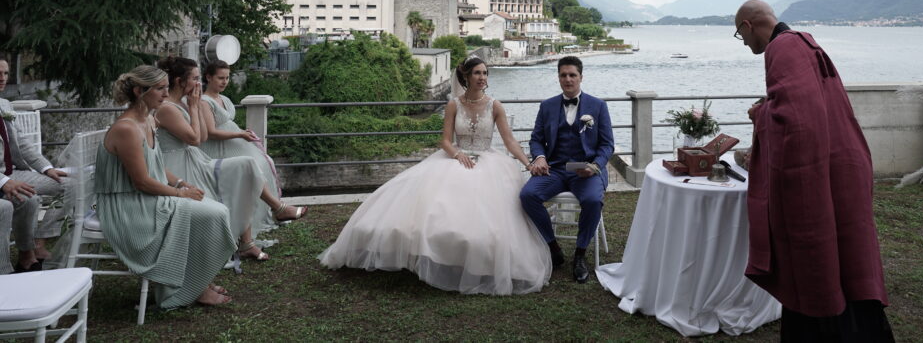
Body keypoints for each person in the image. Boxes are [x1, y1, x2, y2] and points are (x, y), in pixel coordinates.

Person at [319, 57, 550, 295]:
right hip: (455, 157)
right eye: (477, 73)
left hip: (488, 161)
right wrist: (457, 154)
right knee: (432, 208)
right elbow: (444, 140)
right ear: (467, 77)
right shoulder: (454, 104)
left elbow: (510, 141)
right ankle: (431, 257)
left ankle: (477, 262)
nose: (482, 78)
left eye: (485, 73)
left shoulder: (495, 105)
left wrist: (528, 162)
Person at [734, 0, 893, 342]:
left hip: (816, 175)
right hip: (842, 166)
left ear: (748, 25)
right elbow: (807, 107)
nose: (745, 44)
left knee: (814, 261)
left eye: (740, 35)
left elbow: (798, 122)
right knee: (847, 259)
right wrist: (769, 108)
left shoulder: (783, 48)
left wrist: (760, 115)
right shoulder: (805, 42)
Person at [96, 65, 236, 308]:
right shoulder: (127, 128)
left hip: (145, 195)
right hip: (128, 204)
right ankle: (191, 288)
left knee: (214, 210)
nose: (166, 93)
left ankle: (196, 280)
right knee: (212, 214)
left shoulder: (148, 119)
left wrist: (181, 183)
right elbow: (141, 181)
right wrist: (180, 194)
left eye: (166, 87)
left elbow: (156, 167)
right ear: (140, 91)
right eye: (160, 88)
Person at [154, 56, 269, 261]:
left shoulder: (182, 102)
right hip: (177, 165)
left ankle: (247, 241)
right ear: (180, 81)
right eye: (195, 79)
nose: (199, 84)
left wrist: (194, 106)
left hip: (194, 159)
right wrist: (195, 106)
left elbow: (203, 136)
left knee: (247, 165)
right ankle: (234, 245)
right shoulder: (167, 108)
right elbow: (196, 139)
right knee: (234, 176)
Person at [520, 56, 614, 284]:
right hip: (555, 169)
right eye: (563, 75)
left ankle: (580, 254)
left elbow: (607, 144)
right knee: (527, 195)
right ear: (558, 77)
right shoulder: (547, 106)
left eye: (572, 75)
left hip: (586, 169)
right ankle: (553, 247)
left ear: (581, 77)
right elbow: (536, 139)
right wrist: (540, 157)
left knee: (592, 200)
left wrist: (594, 166)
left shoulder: (598, 106)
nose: (568, 79)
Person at [199, 60, 305, 236]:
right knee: (254, 168)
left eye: (227, 78)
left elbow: (226, 124)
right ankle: (277, 209)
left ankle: (274, 209)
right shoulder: (204, 101)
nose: (224, 82)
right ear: (208, 77)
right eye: (220, 78)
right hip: (219, 147)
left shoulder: (223, 98)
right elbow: (212, 132)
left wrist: (242, 132)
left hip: (233, 141)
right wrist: (239, 135)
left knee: (264, 162)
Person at [0, 58, 53, 273]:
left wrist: (46, 168)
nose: (2, 78)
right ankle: (4, 272)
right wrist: (4, 182)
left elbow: (22, 143)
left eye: (5, 73)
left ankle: (30, 252)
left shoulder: (4, 104)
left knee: (31, 198)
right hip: (4, 178)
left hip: (11, 173)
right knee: (5, 207)